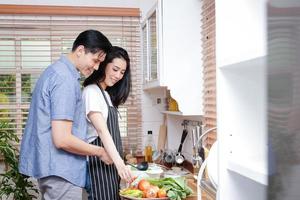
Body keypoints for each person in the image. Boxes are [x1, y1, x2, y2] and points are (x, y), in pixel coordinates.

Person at [19, 30, 114, 200]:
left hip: (53, 170)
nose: (97, 67)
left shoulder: (55, 71)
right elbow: (62, 139)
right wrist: (100, 152)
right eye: (95, 60)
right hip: (61, 172)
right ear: (80, 50)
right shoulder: (65, 79)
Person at [82, 46, 134, 200]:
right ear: (104, 65)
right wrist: (120, 165)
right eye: (115, 69)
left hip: (109, 167)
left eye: (122, 72)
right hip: (98, 167)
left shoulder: (105, 94)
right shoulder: (91, 92)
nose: (118, 75)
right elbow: (102, 131)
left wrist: (120, 163)